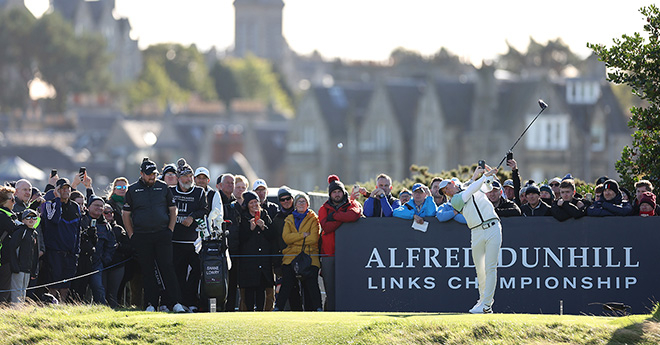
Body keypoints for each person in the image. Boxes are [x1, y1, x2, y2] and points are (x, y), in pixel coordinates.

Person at [122, 158, 185, 313]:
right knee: (147, 270)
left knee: (167, 268)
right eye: (149, 174)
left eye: (154, 174)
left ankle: (175, 303)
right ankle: (150, 304)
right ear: (142, 174)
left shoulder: (163, 187)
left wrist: (169, 230)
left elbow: (172, 209)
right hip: (142, 236)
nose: (152, 177)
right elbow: (126, 214)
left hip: (162, 234)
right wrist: (131, 235)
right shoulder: (133, 189)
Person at [439, 165, 500, 314]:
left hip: (493, 227)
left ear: (453, 184)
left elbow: (486, 187)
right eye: (443, 191)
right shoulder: (455, 200)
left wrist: (490, 176)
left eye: (447, 187)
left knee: (490, 267)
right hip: (476, 232)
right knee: (480, 270)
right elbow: (470, 190)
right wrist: (482, 177)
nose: (446, 191)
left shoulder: (470, 187)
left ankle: (486, 305)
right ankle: (482, 301)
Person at [318, 174, 362, 311]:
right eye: (334, 192)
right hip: (328, 254)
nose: (337, 194)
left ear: (343, 192)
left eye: (339, 191)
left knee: (348, 288)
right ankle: (329, 315)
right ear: (330, 194)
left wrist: (335, 217)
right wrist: (343, 219)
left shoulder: (352, 204)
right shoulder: (323, 209)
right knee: (330, 290)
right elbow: (326, 227)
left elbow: (354, 215)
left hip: (348, 254)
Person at [170, 158, 208, 312]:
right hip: (175, 241)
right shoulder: (171, 191)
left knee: (197, 270)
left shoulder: (199, 192)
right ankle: (178, 303)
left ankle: (191, 301)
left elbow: (204, 210)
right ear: (179, 178)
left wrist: (192, 217)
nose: (188, 180)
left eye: (190, 176)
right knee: (178, 273)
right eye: (185, 177)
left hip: (193, 242)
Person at [275, 193, 322, 311]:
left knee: (311, 284)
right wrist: (303, 235)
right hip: (291, 255)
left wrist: (294, 238)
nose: (301, 204)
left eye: (303, 201)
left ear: (307, 204)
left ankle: (317, 308)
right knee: (287, 283)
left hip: (309, 255)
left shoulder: (313, 218)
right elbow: (286, 238)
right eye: (299, 202)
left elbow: (314, 239)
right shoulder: (289, 219)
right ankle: (278, 308)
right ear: (295, 204)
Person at [40, 178, 82, 303]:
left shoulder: (75, 206)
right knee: (54, 282)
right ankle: (53, 305)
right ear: (56, 190)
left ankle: (62, 304)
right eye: (62, 189)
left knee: (66, 283)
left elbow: (77, 230)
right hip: (55, 251)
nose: (66, 191)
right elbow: (54, 219)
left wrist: (76, 250)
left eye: (67, 188)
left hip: (70, 252)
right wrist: (57, 199)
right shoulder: (49, 204)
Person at [237, 191, 274, 311]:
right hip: (249, 262)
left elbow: (272, 236)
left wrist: (263, 227)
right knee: (248, 290)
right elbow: (240, 239)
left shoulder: (265, 215)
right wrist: (250, 229)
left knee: (261, 289)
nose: (254, 205)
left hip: (263, 261)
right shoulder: (243, 217)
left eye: (256, 202)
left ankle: (260, 313)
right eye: (251, 203)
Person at [271, 186, 302, 311]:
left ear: (292, 199)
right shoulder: (277, 219)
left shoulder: (301, 214)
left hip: (301, 257)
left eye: (288, 198)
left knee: (296, 288)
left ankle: (282, 308)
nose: (286, 201)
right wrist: (276, 264)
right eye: (282, 200)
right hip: (285, 258)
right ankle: (279, 308)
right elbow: (274, 243)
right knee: (288, 285)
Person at [102, 203, 133, 308]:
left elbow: (129, 247)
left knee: (113, 294)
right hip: (101, 265)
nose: (109, 214)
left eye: (111, 212)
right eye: (106, 212)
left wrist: (119, 246)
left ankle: (113, 311)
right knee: (101, 291)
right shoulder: (98, 227)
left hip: (117, 264)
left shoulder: (119, 229)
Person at [8, 208, 39, 303]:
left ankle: (21, 312)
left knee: (23, 293)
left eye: (34, 217)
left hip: (27, 270)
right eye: (28, 217)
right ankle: (15, 313)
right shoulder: (20, 231)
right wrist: (15, 266)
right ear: (23, 220)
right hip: (18, 269)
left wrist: (34, 270)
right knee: (16, 295)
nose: (31, 219)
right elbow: (12, 249)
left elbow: (35, 254)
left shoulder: (34, 233)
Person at [0, 186, 19, 302]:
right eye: (13, 199)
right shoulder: (3, 216)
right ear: (4, 201)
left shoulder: (6, 214)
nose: (14, 202)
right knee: (4, 291)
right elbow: (15, 227)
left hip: (4, 258)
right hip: (3, 259)